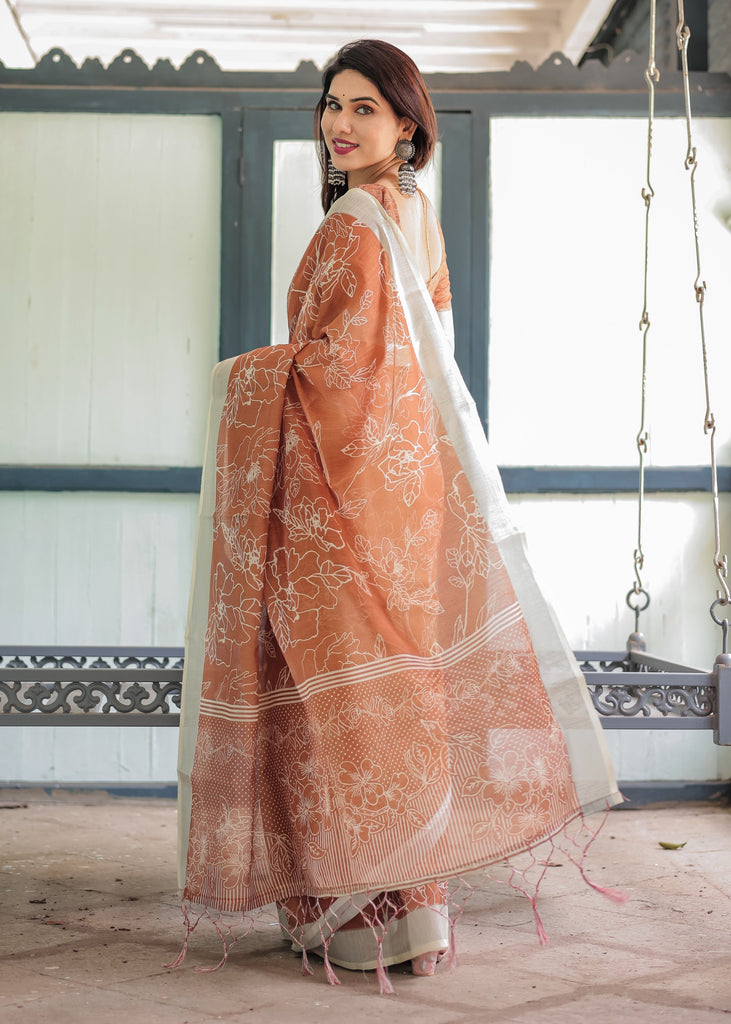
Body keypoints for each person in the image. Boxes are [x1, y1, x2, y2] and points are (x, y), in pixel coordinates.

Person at [174, 39, 622, 992]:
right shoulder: (418, 219)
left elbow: (334, 377)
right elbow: (419, 379)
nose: (340, 124)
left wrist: (236, 379)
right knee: (397, 694)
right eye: (333, 105)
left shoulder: (354, 225)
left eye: (364, 108)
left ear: (407, 124)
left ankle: (356, 919)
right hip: (409, 504)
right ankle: (416, 917)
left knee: (333, 701)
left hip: (339, 507)